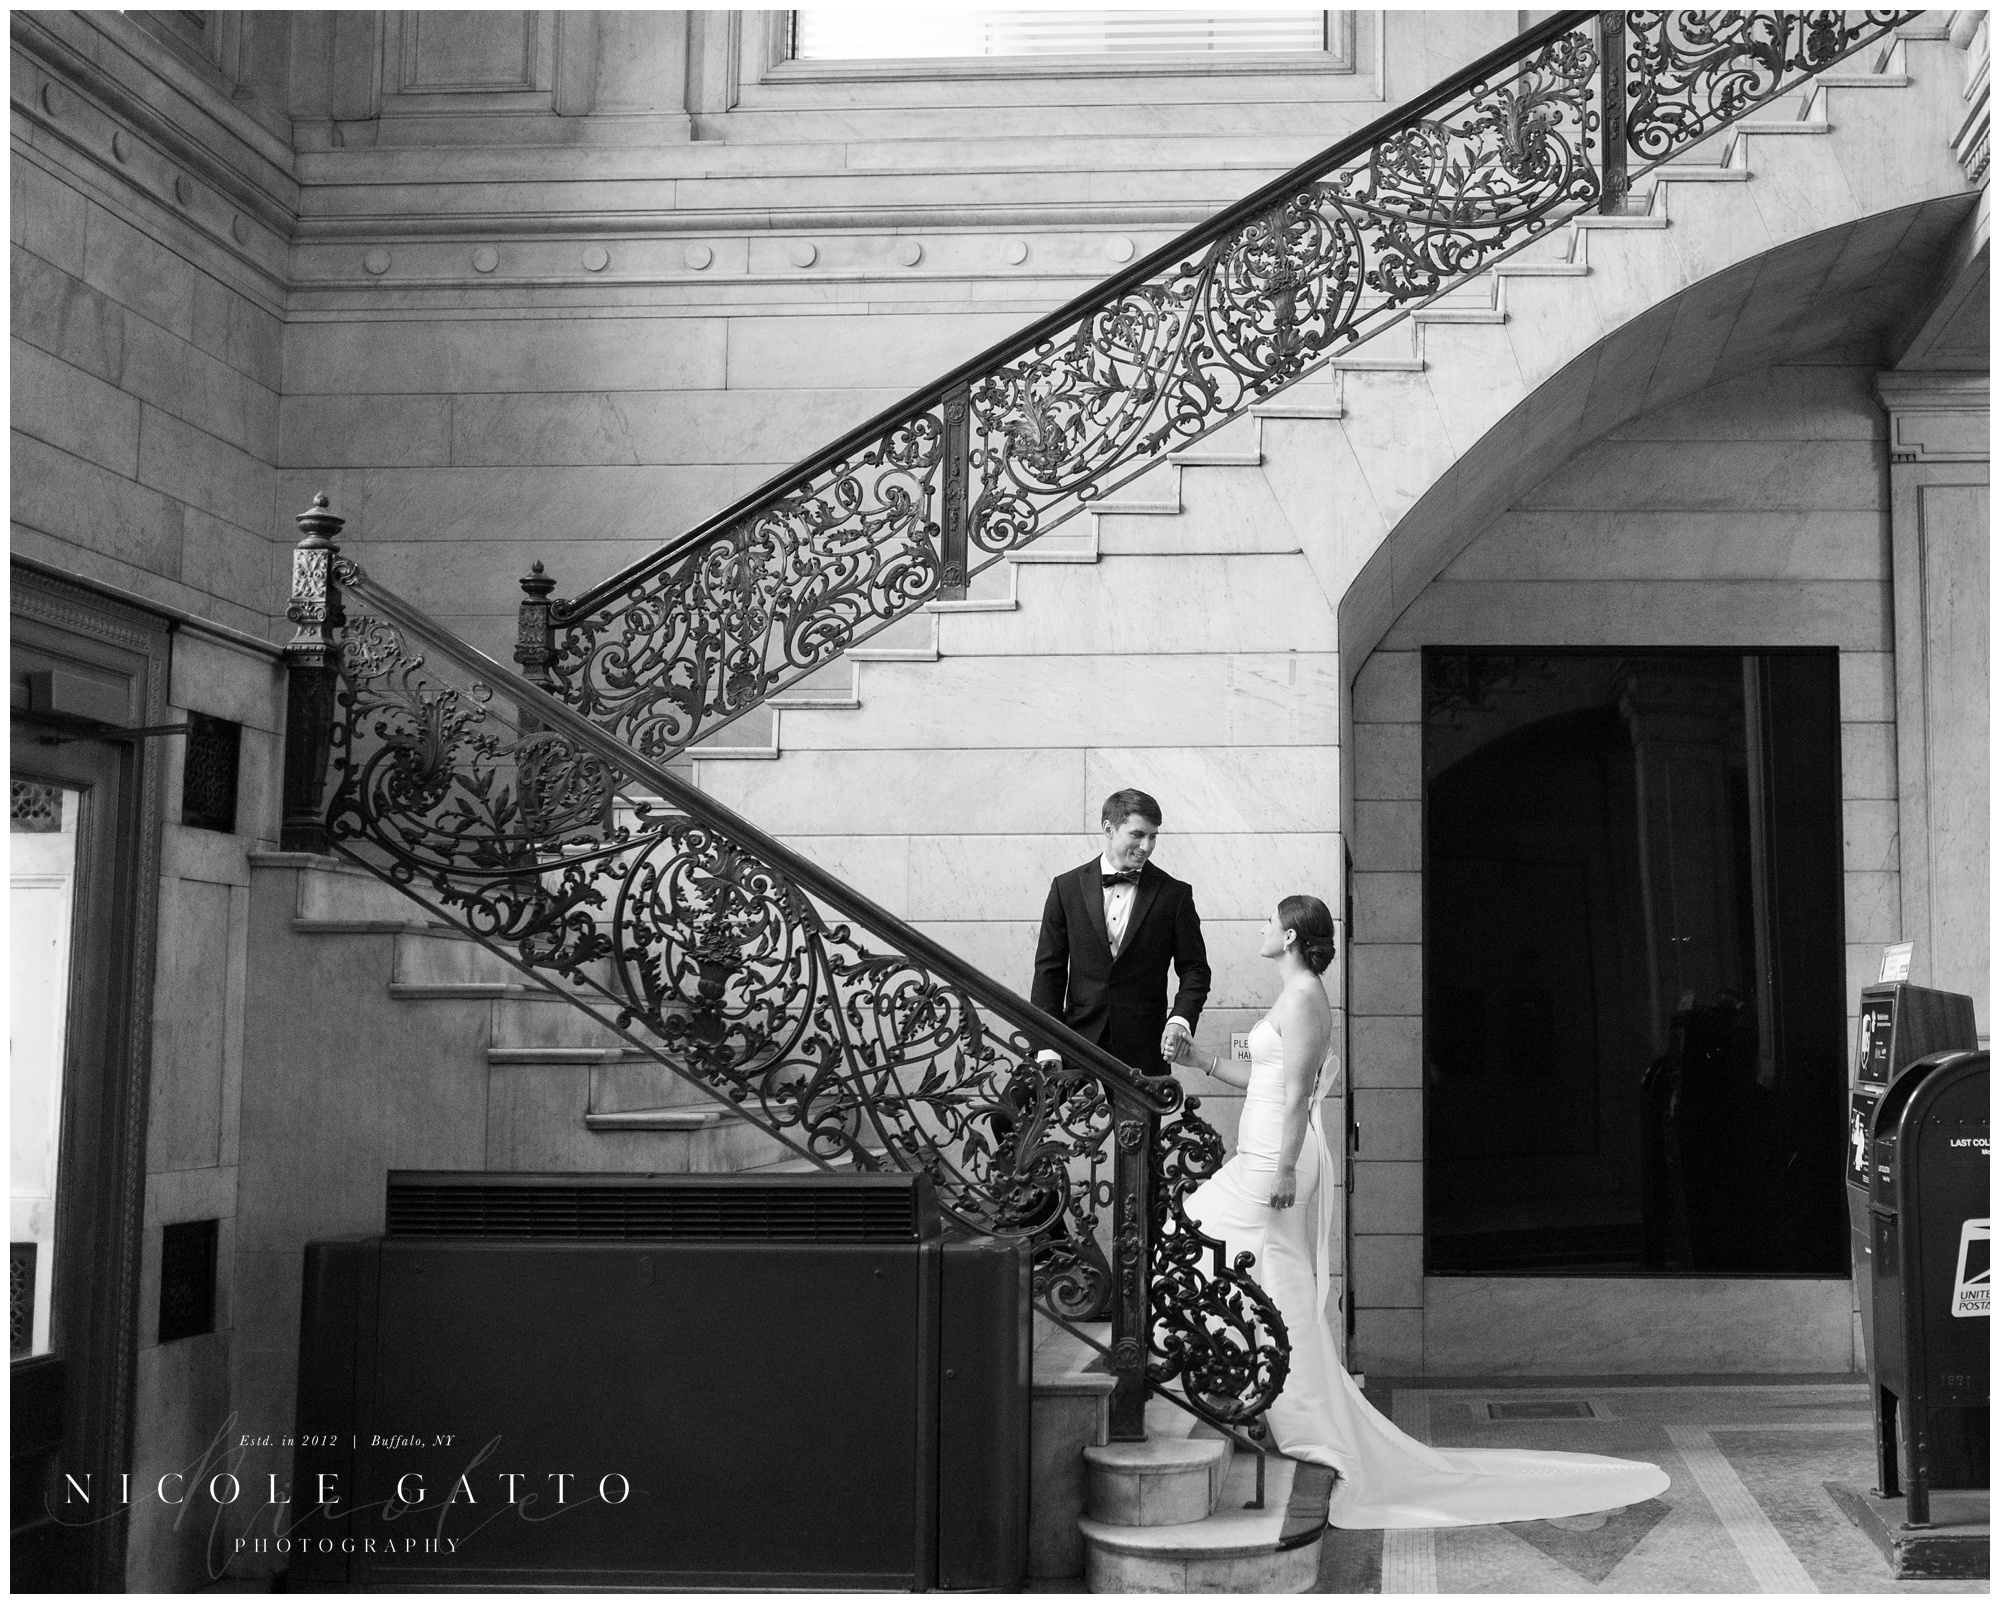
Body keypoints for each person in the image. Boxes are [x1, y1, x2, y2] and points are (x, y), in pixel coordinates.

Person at [1171, 894, 1671, 1531]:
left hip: (1277, 1158)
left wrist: (1281, 1170)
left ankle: (1296, 1409)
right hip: (1265, 1150)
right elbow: (1268, 1079)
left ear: (1292, 935)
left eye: (1270, 921)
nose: (1261, 929)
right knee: (1251, 1271)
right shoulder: (1293, 993)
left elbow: (1297, 1094)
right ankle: (1266, 1394)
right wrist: (1204, 1062)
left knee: (1220, 1255)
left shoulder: (1304, 998)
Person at [1032, 788, 1211, 1075]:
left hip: (1143, 1047)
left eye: (1153, 837)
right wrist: (1047, 1044)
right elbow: (1048, 972)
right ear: (1109, 829)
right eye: (1137, 834)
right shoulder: (1065, 888)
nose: (1146, 846)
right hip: (1075, 1040)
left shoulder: (1174, 895)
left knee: (1138, 1122)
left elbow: (1196, 970)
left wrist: (1180, 1020)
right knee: (1011, 1117)